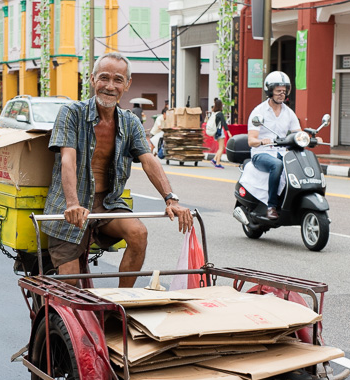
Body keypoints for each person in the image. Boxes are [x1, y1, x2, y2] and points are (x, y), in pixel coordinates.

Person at [42, 52, 193, 288]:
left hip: (107, 204)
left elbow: (148, 160)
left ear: (127, 84)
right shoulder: (71, 113)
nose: (110, 86)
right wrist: (72, 203)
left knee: (138, 233)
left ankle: (122, 302)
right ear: (92, 80)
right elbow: (67, 160)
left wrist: (170, 198)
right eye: (104, 78)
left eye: (118, 80)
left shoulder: (130, 121)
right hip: (69, 206)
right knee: (71, 284)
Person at [247, 71, 301, 220]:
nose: (281, 94)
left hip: (282, 152)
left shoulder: (289, 113)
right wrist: (261, 141)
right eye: (278, 91)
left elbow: (297, 133)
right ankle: (271, 206)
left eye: (284, 91)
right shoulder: (259, 112)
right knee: (277, 165)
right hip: (262, 153)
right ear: (270, 91)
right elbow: (251, 140)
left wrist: (307, 137)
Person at [209, 98, 230, 169]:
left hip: (215, 132)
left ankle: (214, 159)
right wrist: (228, 132)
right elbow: (224, 123)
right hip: (219, 132)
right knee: (221, 148)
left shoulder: (214, 113)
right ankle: (217, 163)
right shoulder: (220, 114)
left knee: (222, 147)